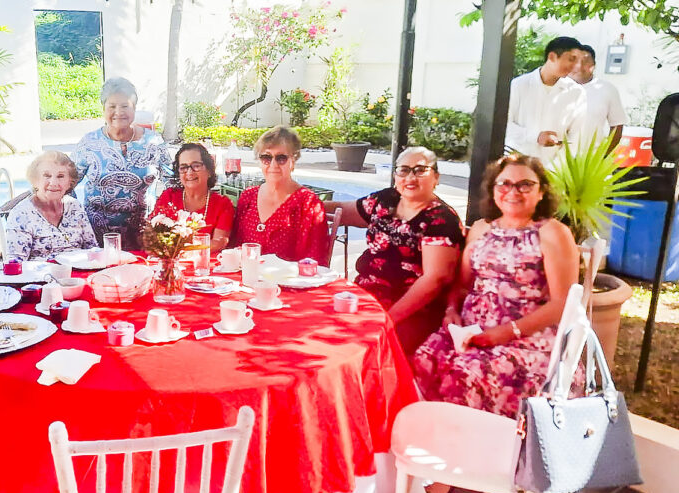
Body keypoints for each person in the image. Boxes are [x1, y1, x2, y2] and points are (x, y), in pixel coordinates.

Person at [413, 154, 579, 419]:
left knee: (465, 374)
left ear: (541, 191)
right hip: (472, 331)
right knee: (422, 358)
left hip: (526, 337)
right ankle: (441, 441)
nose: (512, 191)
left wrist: (505, 333)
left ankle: (479, 448)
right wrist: (451, 310)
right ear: (493, 190)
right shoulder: (481, 229)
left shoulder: (552, 233)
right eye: (504, 184)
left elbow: (562, 303)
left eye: (525, 184)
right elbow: (462, 285)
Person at [335, 147, 464, 354]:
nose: (410, 177)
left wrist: (388, 319)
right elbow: (344, 211)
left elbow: (434, 280)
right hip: (367, 296)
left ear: (436, 177)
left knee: (356, 350)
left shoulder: (441, 220)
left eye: (420, 170)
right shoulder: (387, 200)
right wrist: (302, 204)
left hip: (410, 311)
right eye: (403, 170)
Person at [73, 77, 172, 250]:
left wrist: (163, 218)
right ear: (103, 109)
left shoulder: (153, 141)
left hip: (144, 234)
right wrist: (74, 219)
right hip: (96, 235)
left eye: (125, 106)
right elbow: (66, 182)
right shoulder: (89, 143)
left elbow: (172, 182)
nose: (118, 112)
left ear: (134, 108)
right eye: (112, 106)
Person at [231, 126, 329, 264]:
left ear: (293, 161)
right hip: (246, 279)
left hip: (291, 282)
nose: (273, 164)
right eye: (266, 157)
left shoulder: (307, 203)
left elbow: (313, 262)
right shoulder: (248, 196)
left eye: (281, 158)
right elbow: (234, 248)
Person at [506, 36, 588, 164]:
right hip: (516, 164)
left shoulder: (576, 93)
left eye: (579, 61)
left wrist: (555, 169)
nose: (576, 66)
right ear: (552, 57)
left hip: (554, 170)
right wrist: (536, 137)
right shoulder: (518, 85)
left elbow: (576, 136)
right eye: (571, 59)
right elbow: (504, 125)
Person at [5, 151, 98, 261]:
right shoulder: (21, 214)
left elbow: (92, 250)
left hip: (78, 275)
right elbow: (15, 264)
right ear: (35, 181)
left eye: (60, 176)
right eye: (47, 176)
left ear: (70, 182)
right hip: (39, 277)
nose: (53, 182)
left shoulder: (74, 206)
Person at [151, 143, 235, 253]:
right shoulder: (169, 197)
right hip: (170, 262)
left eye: (196, 166)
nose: (189, 172)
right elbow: (153, 235)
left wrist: (180, 248)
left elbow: (219, 243)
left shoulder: (222, 204)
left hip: (205, 265)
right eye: (184, 167)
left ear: (209, 170)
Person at [569, 44, 627, 153]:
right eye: (574, 61)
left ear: (594, 65)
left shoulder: (607, 89)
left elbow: (617, 127)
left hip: (590, 160)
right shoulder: (556, 87)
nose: (579, 66)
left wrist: (602, 155)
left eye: (585, 61)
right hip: (554, 161)